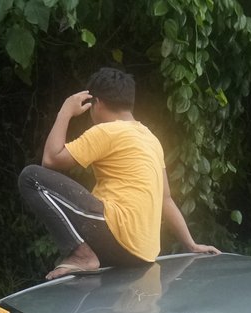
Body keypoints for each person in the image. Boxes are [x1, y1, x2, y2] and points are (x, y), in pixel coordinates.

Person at [18, 66, 219, 280]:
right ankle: (85, 256)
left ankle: (82, 255)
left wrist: (65, 111)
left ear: (97, 103)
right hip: (143, 254)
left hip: (117, 235)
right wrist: (191, 244)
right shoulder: (151, 139)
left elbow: (50, 160)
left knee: (32, 177)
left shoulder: (107, 131)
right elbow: (166, 199)